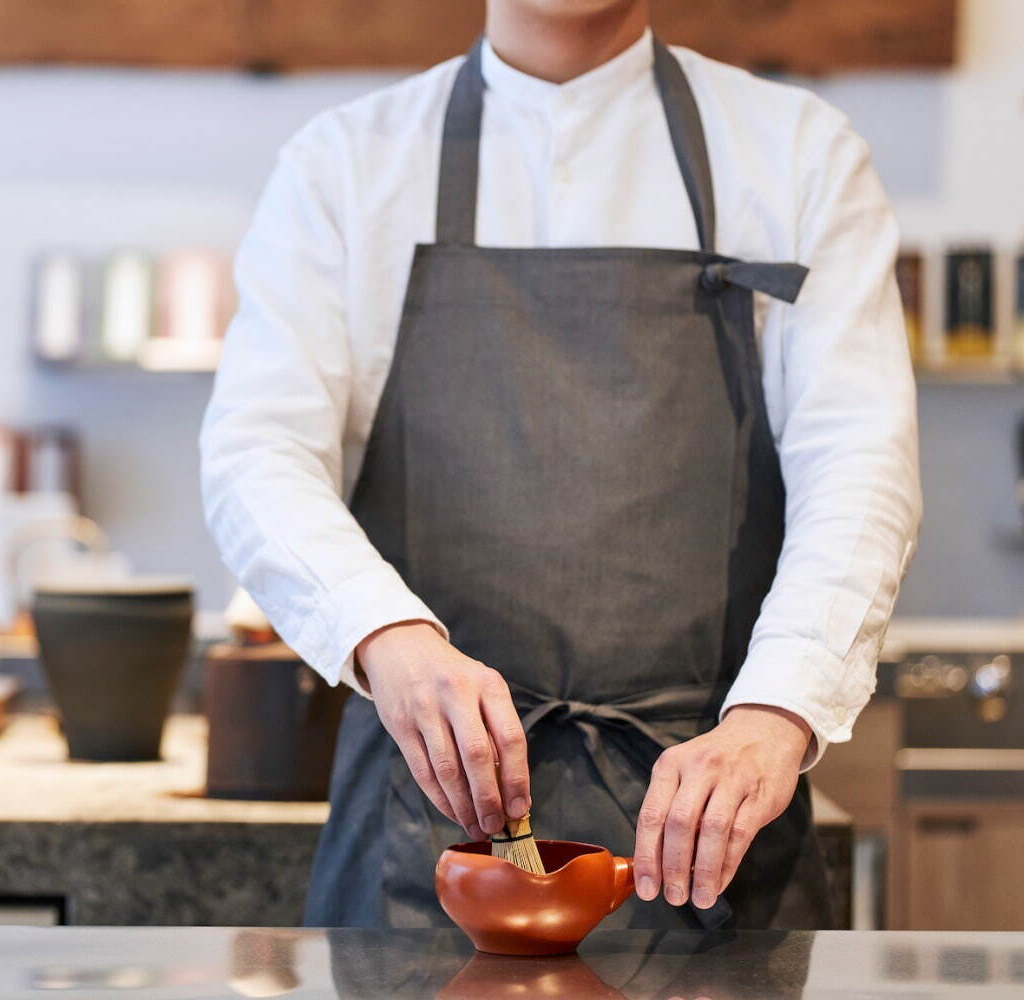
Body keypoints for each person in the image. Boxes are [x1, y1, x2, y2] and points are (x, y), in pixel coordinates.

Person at [200, 0, 921, 929]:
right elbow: (256, 452)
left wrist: (774, 716)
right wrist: (390, 642)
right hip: (423, 850)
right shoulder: (344, 163)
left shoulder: (799, 152)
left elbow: (863, 467)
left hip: (714, 832)